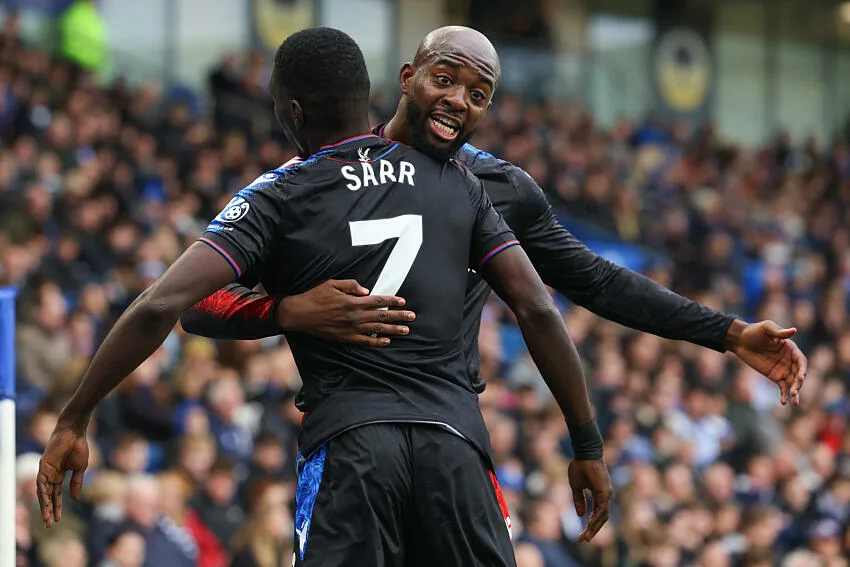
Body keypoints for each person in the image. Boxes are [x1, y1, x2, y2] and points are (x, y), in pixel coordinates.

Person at [37, 28, 609, 567]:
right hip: (455, 448)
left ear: (292, 112)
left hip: (352, 449)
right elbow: (537, 308)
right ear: (379, 94)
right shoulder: (456, 181)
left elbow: (171, 305)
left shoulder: (281, 193)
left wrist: (74, 418)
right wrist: (586, 443)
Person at [181, 26, 807, 408]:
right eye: (443, 79)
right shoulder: (328, 177)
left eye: (476, 94)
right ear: (409, 78)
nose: (456, 100)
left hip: (450, 434)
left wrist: (726, 333)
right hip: (352, 433)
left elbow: (595, 281)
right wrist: (282, 311)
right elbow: (197, 303)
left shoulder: (499, 186)